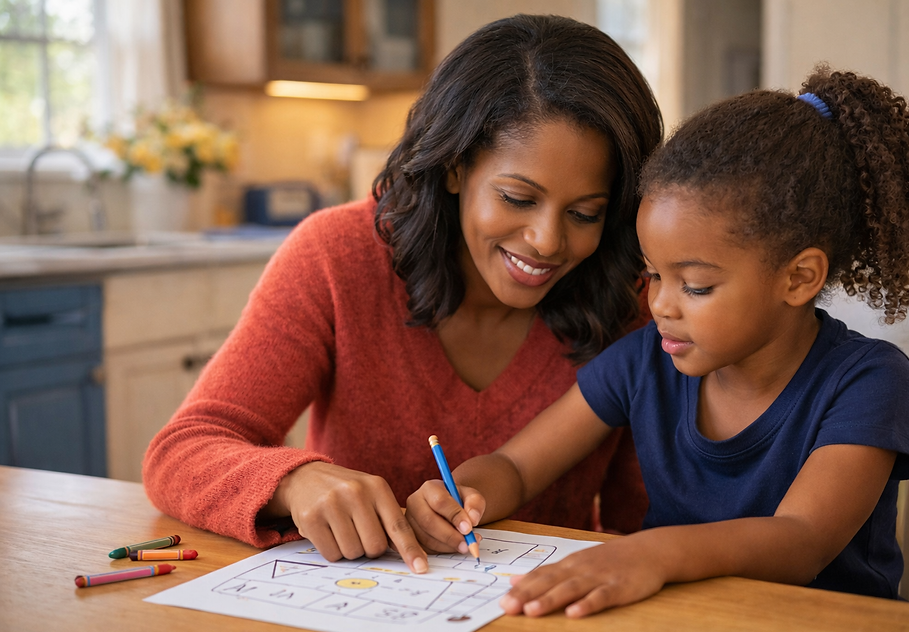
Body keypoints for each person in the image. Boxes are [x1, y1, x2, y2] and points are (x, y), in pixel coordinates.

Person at [406, 66, 909, 613]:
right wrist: (465, 496)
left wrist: (653, 554)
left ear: (798, 278)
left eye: (695, 285)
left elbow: (801, 541)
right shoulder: (646, 360)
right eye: (653, 275)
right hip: (685, 627)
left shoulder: (866, 379)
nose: (659, 305)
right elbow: (519, 466)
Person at [142, 14, 663, 575]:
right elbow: (182, 451)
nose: (547, 241)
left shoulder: (637, 298)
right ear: (455, 167)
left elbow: (645, 519)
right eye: (516, 198)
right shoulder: (337, 255)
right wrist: (293, 482)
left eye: (585, 213)